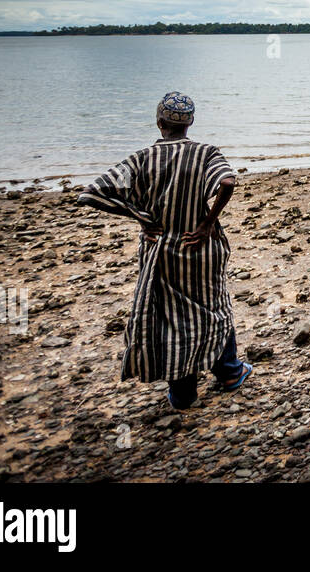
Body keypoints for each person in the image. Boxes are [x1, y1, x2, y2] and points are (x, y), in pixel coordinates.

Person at [77, 91, 251, 409]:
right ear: (191, 123)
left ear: (160, 123)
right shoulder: (205, 153)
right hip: (199, 249)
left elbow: (92, 193)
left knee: (171, 318)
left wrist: (141, 217)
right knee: (215, 307)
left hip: (160, 251)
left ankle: (183, 394)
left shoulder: (143, 158)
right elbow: (226, 183)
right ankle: (229, 372)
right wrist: (208, 223)